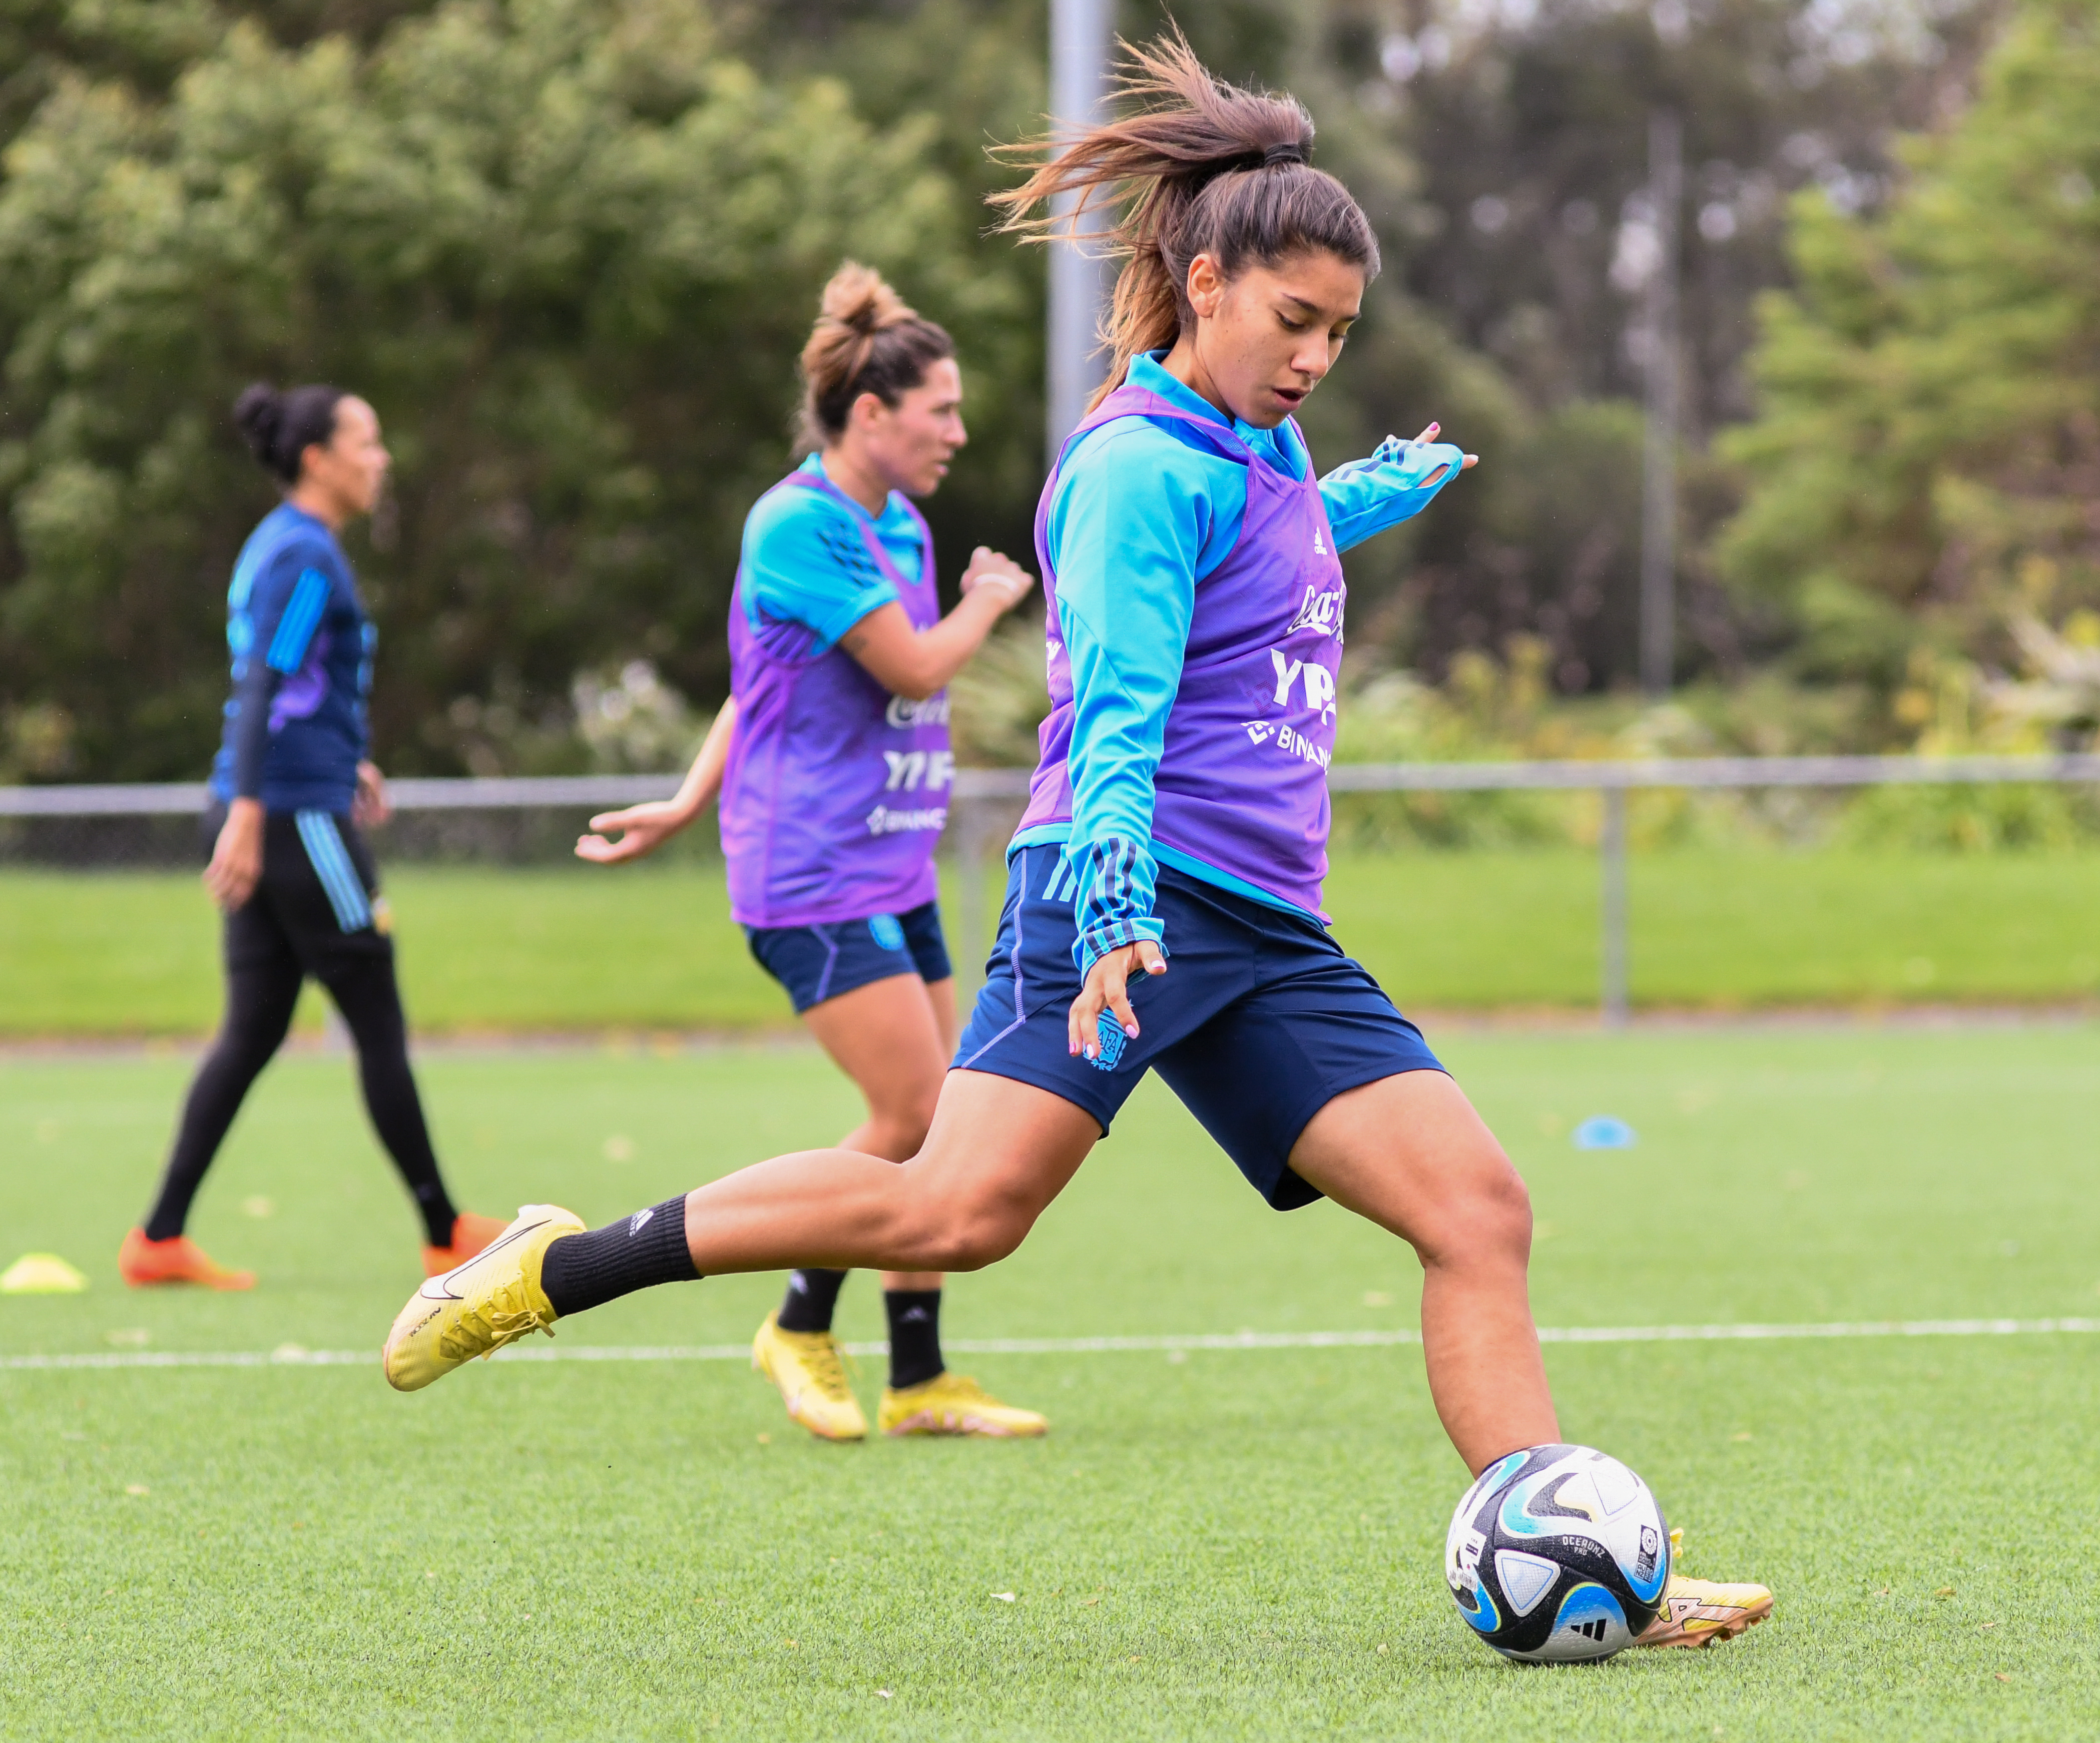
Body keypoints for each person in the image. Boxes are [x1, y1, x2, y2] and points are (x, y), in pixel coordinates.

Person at [382, 38, 1770, 1647]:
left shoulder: (1249, 448)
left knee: (1478, 1209)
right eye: (1292, 321)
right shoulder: (1128, 465)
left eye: (1340, 331)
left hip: (1260, 932)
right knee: (950, 1214)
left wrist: (1357, 500)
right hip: (1120, 898)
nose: (1315, 356)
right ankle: (564, 1265)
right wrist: (1111, 894)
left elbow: (1263, 542)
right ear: (1200, 282)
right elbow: (1114, 701)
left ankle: (1575, 1561)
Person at [573, 265, 1047, 1441]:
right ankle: (795, 1321)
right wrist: (989, 599)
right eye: (940, 408)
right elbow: (919, 666)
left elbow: (760, 687)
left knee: (943, 1122)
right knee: (915, 1106)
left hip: (893, 864)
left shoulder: (896, 522)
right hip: (810, 873)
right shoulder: (799, 522)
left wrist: (683, 797)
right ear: (870, 412)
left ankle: (921, 1375)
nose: (958, 429)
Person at [121, 383, 504, 1291]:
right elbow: (264, 684)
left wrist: (347, 759)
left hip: (285, 799)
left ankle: (160, 1240)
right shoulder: (304, 554)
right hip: (291, 821)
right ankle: (446, 1230)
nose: (382, 459)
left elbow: (300, 692)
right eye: (366, 442)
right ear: (318, 459)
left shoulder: (286, 545)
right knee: (375, 1014)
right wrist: (256, 813)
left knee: (253, 1029)